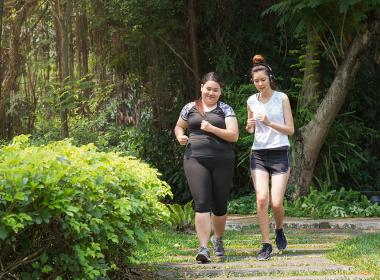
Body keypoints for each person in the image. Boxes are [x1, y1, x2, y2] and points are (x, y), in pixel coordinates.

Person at [174, 72, 239, 263]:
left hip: (222, 161)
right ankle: (203, 248)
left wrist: (212, 128)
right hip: (195, 159)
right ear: (202, 87)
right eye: (208, 88)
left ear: (220, 92)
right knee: (201, 203)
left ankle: (217, 239)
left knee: (220, 205)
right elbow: (179, 126)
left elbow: (234, 136)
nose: (211, 92)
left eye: (215, 90)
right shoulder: (189, 107)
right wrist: (180, 136)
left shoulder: (226, 109)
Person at [246, 54, 294, 261]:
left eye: (262, 80)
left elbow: (290, 130)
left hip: (280, 151)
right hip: (258, 153)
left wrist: (268, 121)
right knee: (262, 198)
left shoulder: (281, 98)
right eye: (256, 81)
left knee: (276, 202)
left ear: (269, 79)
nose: (259, 84)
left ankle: (279, 229)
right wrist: (251, 126)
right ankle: (266, 244)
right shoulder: (251, 101)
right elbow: (249, 127)